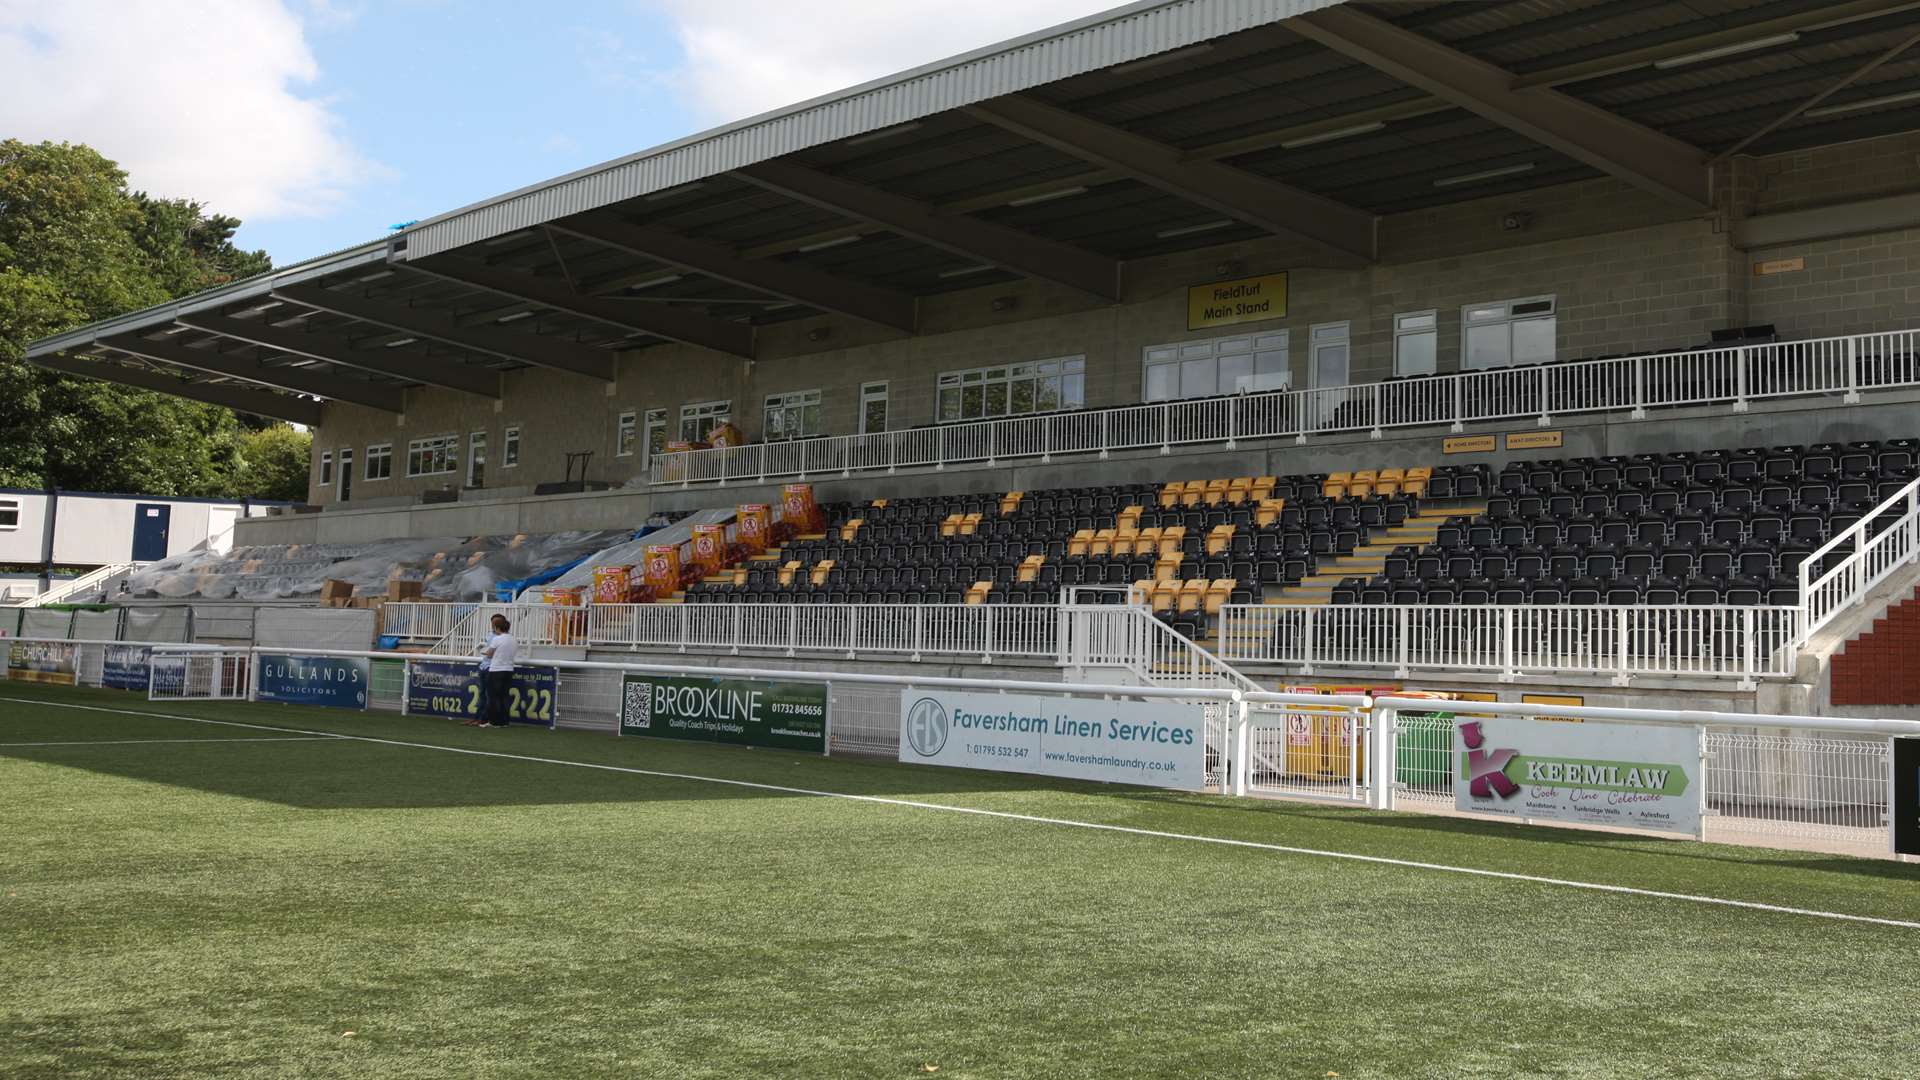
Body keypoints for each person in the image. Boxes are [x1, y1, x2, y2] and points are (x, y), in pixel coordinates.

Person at [473, 614, 517, 728]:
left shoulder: (497, 639)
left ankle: (494, 721)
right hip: (509, 669)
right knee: (504, 697)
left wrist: (483, 652)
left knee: (494, 697)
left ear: (498, 628)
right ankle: (505, 721)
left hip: (497, 669)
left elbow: (490, 654)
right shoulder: (513, 639)